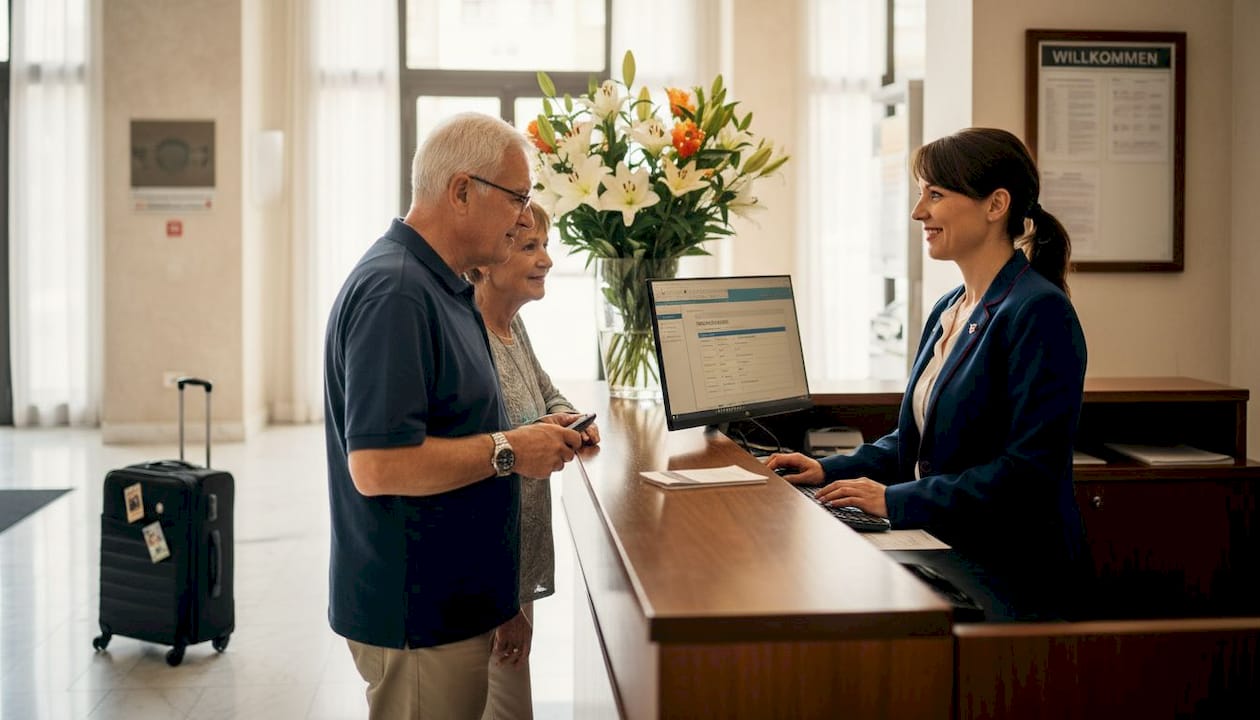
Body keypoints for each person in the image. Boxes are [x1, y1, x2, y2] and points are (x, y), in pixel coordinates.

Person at [324, 111, 584, 719]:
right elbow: (379, 467)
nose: (526, 218)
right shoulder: (396, 291)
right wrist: (513, 450)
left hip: (456, 601)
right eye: (517, 198)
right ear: (462, 190)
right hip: (418, 611)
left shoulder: (447, 287)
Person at [768, 127, 1089, 617]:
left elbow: (1029, 475)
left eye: (935, 195)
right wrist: (828, 469)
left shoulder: (1038, 312)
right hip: (945, 545)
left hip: (1011, 569)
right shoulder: (950, 308)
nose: (919, 212)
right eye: (922, 194)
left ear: (995, 204)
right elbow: (914, 439)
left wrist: (897, 500)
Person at [468, 204, 600, 719]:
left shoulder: (511, 327)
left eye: (545, 245)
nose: (546, 259)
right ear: (484, 262)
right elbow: (477, 473)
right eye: (529, 247)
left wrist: (570, 419)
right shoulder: (471, 338)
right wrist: (506, 609)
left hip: (510, 577)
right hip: (488, 583)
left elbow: (548, 397)